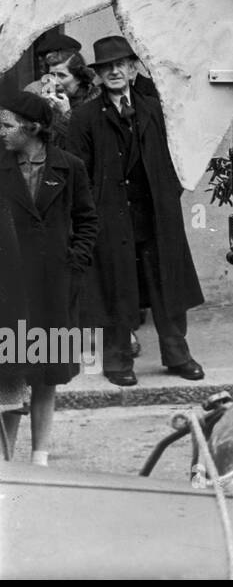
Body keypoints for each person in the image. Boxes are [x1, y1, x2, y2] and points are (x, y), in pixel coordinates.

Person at [67, 36, 205, 386]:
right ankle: (118, 361)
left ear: (132, 69)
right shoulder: (84, 118)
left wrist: (167, 196)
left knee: (166, 286)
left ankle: (178, 356)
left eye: (120, 65)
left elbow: (177, 157)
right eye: (106, 67)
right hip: (111, 219)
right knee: (115, 286)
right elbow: (77, 173)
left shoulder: (152, 109)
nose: (114, 71)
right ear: (98, 75)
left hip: (155, 215)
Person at [0, 92, 98, 463]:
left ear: (34, 128)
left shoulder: (69, 167)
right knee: (8, 377)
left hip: (54, 287)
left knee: (46, 373)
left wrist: (74, 262)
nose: (1, 131)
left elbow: (88, 219)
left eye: (7, 124)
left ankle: (40, 458)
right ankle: (6, 462)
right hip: (8, 288)